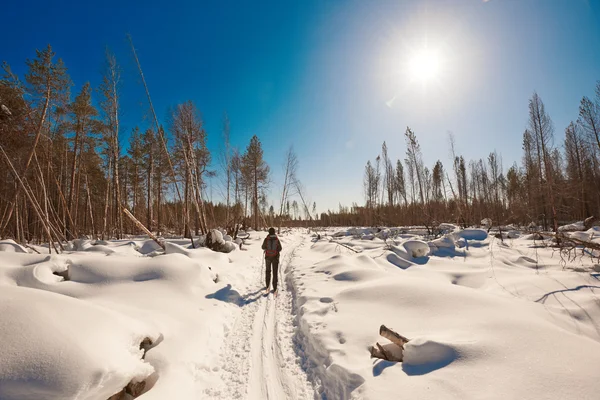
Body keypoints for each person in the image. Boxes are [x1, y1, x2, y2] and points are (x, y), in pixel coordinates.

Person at [262, 227, 282, 293]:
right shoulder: (276, 239)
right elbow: (280, 248)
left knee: (268, 271)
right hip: (275, 258)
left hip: (267, 257)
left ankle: (267, 285)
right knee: (275, 272)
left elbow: (263, 247)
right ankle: (275, 287)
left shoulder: (266, 239)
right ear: (274, 232)